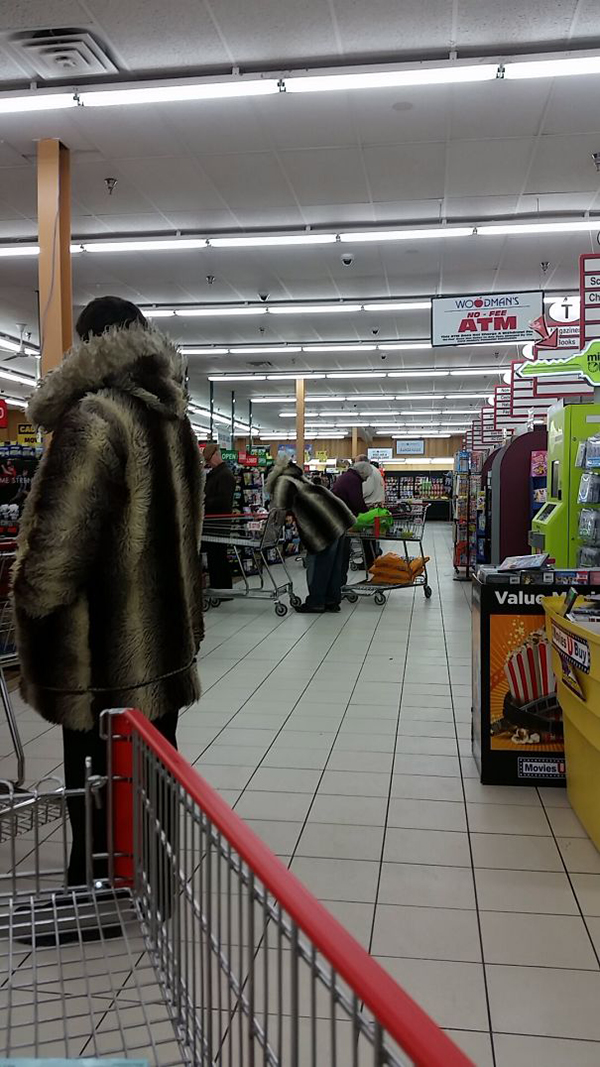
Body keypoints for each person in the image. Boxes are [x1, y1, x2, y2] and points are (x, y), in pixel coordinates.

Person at [13, 295, 204, 890]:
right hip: (164, 637)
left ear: (89, 344)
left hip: (101, 648)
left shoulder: (95, 418)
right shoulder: (178, 426)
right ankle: (154, 875)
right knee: (155, 764)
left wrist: (31, 607)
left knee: (93, 775)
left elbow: (57, 545)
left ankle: (95, 887)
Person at [266, 454, 355, 613]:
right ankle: (332, 601)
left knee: (318, 565)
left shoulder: (283, 482)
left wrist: (268, 538)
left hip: (323, 524)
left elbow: (277, 513)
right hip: (339, 518)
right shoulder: (300, 478)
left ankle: (316, 602)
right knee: (333, 566)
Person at [202, 442, 236, 591]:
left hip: (218, 522)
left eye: (209, 460)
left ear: (216, 455)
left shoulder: (224, 475)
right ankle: (219, 587)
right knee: (215, 556)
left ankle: (221, 588)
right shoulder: (217, 474)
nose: (208, 464)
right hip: (214, 522)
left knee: (218, 556)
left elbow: (223, 500)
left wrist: (203, 502)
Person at [333, 460, 371, 584]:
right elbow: (357, 501)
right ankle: (339, 586)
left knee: (341, 553)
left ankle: (339, 585)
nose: (365, 480)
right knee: (342, 554)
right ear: (361, 472)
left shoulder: (347, 476)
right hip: (341, 518)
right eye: (366, 477)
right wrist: (368, 515)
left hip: (337, 515)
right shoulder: (354, 480)